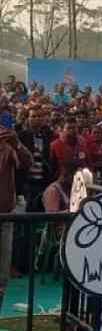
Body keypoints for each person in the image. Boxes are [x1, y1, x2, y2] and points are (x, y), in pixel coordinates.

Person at [0, 127, 33, 310]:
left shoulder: (7, 143)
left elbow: (27, 163)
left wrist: (17, 144)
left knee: (1, 273)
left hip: (4, 217)